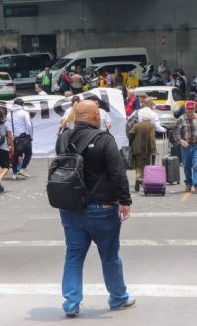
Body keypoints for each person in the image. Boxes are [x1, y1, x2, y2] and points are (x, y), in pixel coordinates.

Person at [55, 100, 134, 317]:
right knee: (110, 256)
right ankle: (118, 298)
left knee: (73, 255)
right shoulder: (104, 139)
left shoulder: (63, 138)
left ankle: (71, 303)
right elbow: (118, 173)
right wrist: (125, 201)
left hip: (70, 208)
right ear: (96, 118)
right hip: (103, 208)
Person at [173, 101, 197, 194]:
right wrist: (181, 141)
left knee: (196, 164)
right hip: (186, 146)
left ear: (194, 109)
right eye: (188, 109)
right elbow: (176, 132)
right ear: (185, 109)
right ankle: (188, 183)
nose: (190, 110)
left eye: (192, 109)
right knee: (187, 166)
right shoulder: (181, 119)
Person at [127, 110, 156, 192]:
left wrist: (133, 141)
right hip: (148, 149)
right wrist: (154, 149)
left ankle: (138, 178)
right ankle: (145, 181)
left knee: (138, 166)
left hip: (137, 148)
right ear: (149, 119)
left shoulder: (137, 125)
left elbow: (130, 133)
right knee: (147, 165)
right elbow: (152, 138)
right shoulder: (151, 126)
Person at [9, 98, 33, 179]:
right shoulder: (24, 113)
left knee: (15, 156)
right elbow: (29, 125)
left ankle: (14, 173)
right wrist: (31, 135)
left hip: (14, 138)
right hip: (24, 137)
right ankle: (22, 169)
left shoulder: (10, 114)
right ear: (22, 105)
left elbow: (8, 128)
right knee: (28, 153)